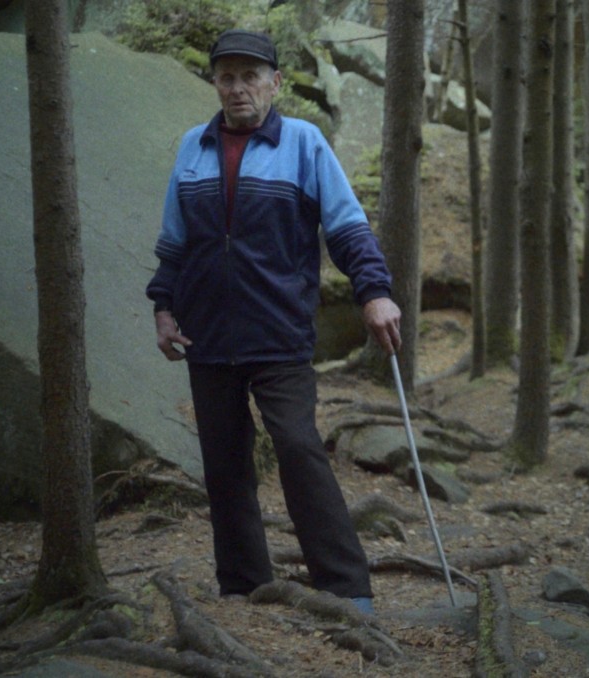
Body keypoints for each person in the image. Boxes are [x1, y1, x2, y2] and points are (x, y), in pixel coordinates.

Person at [145, 29, 399, 615]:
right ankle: (243, 584)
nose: (238, 88)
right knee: (224, 463)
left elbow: (347, 227)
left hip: (279, 332)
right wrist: (163, 309)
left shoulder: (305, 143)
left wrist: (375, 294)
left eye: (250, 76)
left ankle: (346, 587)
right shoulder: (193, 147)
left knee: (298, 447)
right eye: (227, 77)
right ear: (216, 82)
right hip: (205, 335)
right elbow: (173, 245)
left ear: (275, 83)